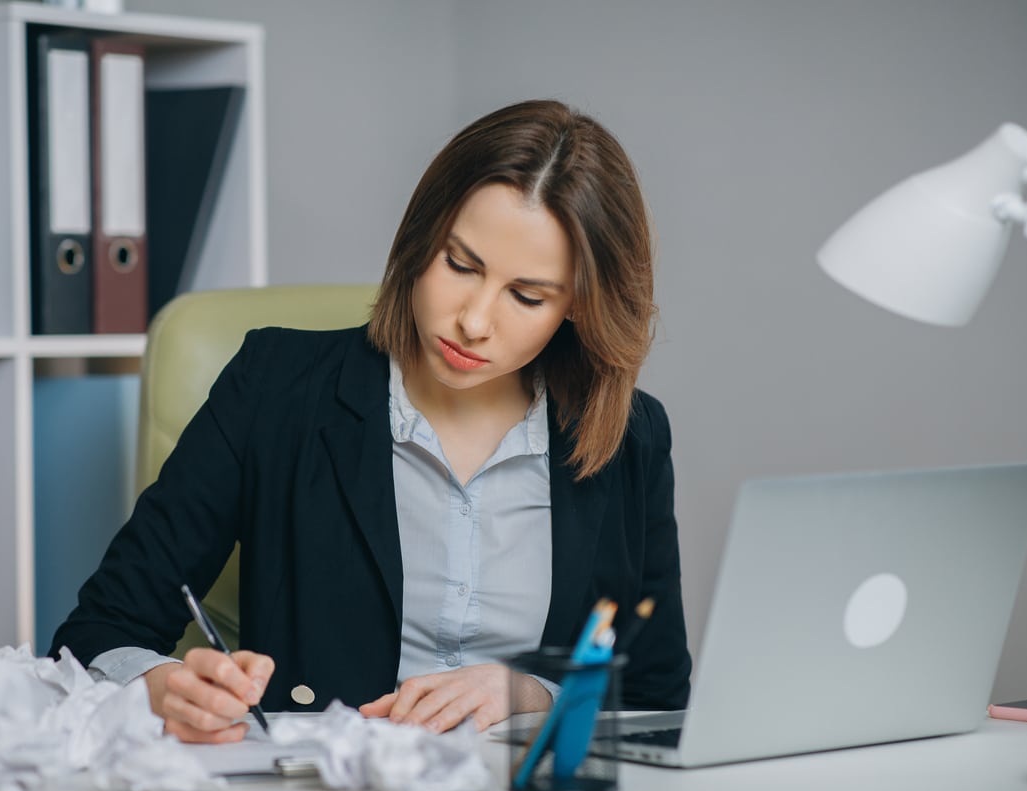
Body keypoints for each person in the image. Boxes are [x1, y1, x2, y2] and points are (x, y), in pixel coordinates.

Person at [49, 99, 691, 744]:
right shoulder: (275, 387)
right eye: (459, 265)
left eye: (527, 296)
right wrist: (163, 690)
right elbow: (99, 633)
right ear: (420, 239)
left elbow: (655, 694)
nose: (473, 320)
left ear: (578, 305)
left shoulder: (630, 438)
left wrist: (531, 691)